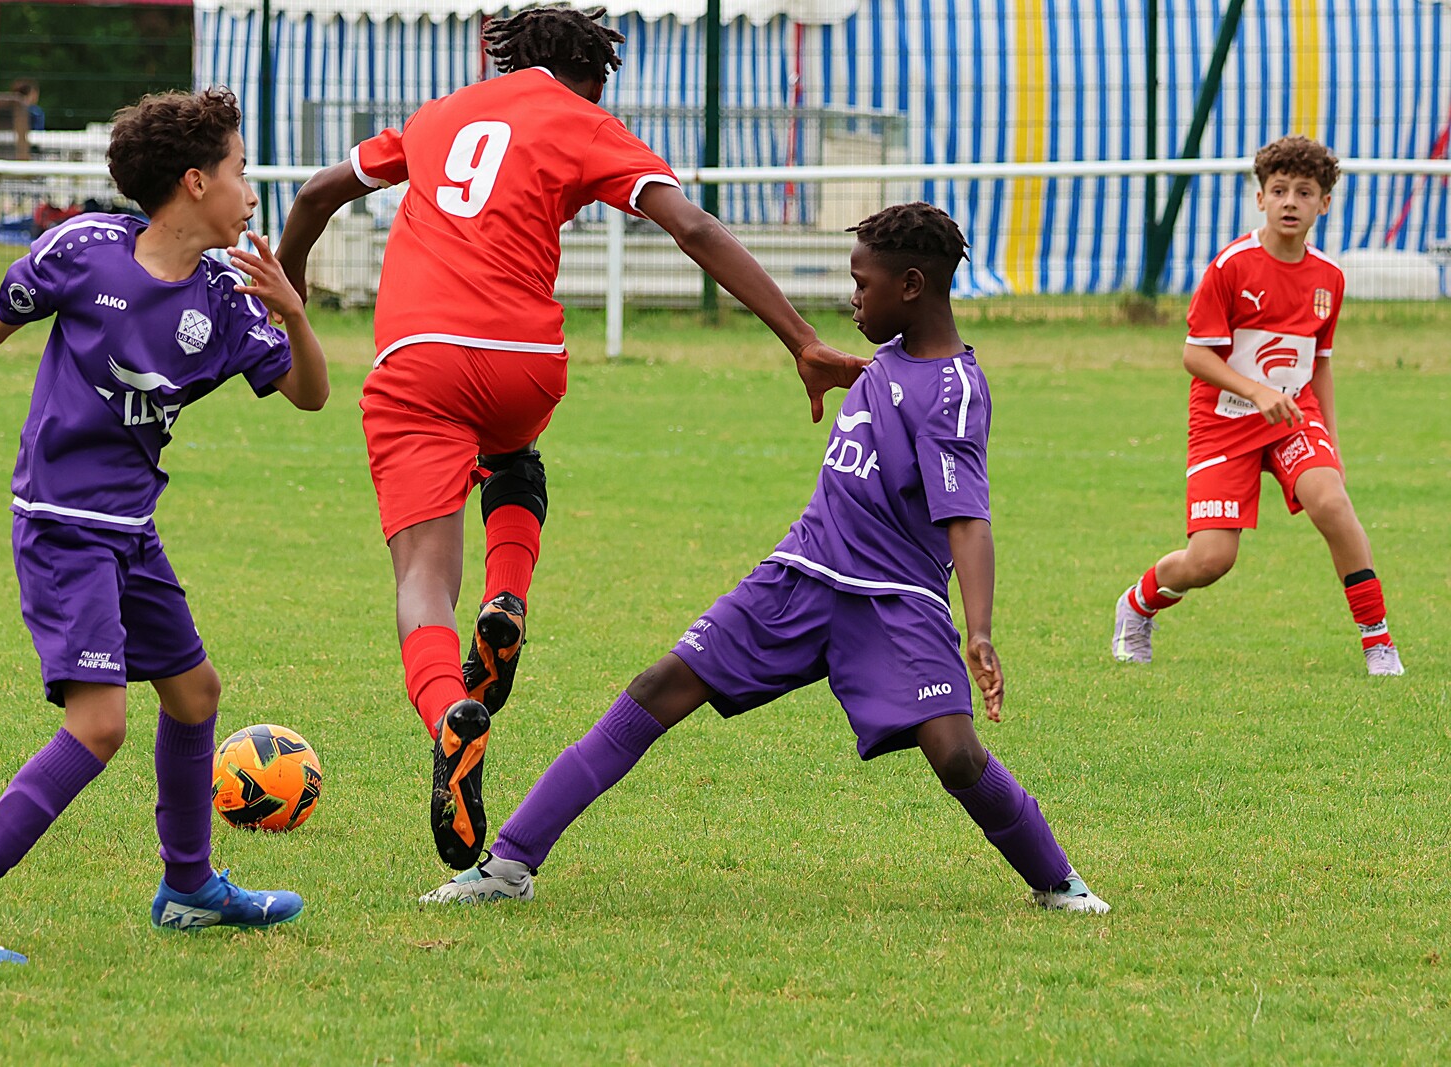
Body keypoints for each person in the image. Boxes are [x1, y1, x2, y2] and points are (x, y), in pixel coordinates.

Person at [275, 4, 867, 870]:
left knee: (423, 579)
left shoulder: (439, 115)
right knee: (513, 456)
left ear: (507, 58)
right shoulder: (584, 121)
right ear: (591, 77)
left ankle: (449, 714)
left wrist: (289, 297)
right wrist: (802, 341)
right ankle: (508, 597)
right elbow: (694, 227)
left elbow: (316, 194)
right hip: (524, 363)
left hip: (416, 360)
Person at [420, 202, 1111, 914]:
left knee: (957, 755)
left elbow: (967, 520)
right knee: (658, 686)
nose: (852, 298)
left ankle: (1058, 882)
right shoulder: (887, 360)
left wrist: (980, 629)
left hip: (894, 601)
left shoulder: (955, 392)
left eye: (862, 284)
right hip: (799, 576)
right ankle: (509, 862)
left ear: (911, 285)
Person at [0, 87, 329, 963]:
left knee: (195, 694)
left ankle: (189, 888)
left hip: (130, 530)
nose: (252, 188)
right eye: (240, 169)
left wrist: (293, 311)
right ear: (195, 182)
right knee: (100, 725)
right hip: (63, 527)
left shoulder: (226, 297)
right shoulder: (84, 249)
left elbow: (309, 393)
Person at [1111, 136, 1403, 676]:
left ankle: (1378, 641)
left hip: (1293, 419)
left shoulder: (1330, 278)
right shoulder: (1232, 266)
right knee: (1211, 560)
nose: (1291, 201)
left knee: (1331, 502)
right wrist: (1256, 391)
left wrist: (1331, 443)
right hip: (1224, 424)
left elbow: (1319, 365)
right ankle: (1138, 603)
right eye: (1280, 190)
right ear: (1261, 198)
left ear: (1324, 203)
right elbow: (1195, 355)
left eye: (1305, 192)